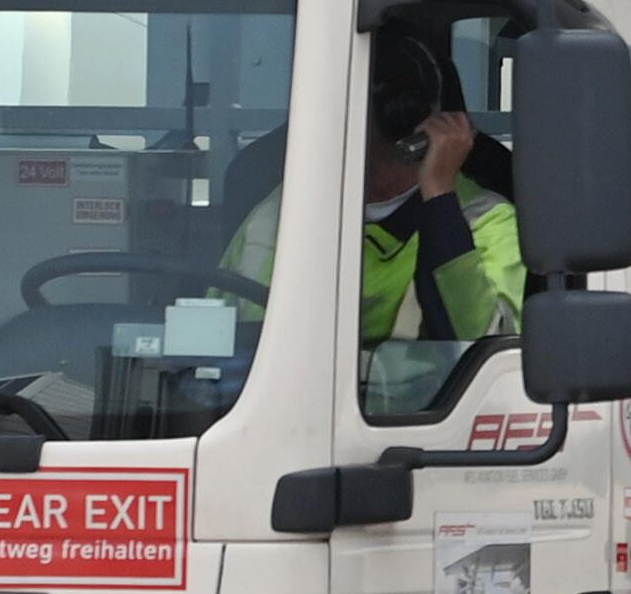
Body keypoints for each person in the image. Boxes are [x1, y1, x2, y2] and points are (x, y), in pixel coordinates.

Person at [225, 20, 526, 376]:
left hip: (414, 407)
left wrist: (439, 196)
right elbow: (214, 327)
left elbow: (489, 356)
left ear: (399, 116)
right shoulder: (276, 215)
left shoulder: (487, 221)